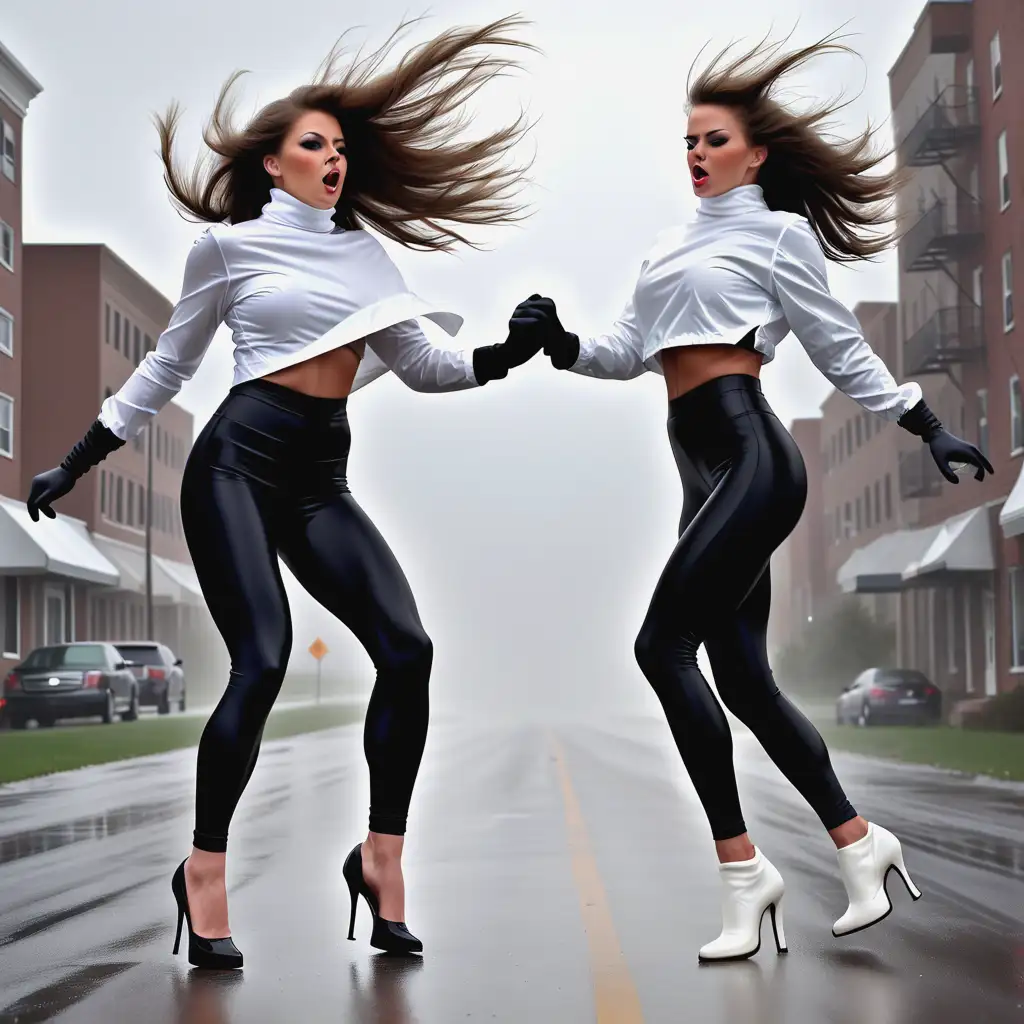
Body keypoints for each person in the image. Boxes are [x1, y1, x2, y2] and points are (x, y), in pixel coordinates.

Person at [26, 15, 543, 968]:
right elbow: (166, 369)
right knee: (261, 661)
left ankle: (381, 863)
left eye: (342, 150)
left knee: (409, 648)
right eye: (315, 146)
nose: (334, 161)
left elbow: (423, 365)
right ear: (273, 163)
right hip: (234, 466)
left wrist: (506, 354)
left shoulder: (365, 257)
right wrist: (80, 457)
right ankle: (205, 873)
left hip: (320, 478)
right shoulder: (225, 250)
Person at [512, 31, 993, 962]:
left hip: (752, 455)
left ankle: (743, 873)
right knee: (740, 680)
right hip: (694, 462)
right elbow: (624, 354)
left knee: (659, 648)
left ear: (757, 152)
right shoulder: (665, 252)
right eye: (687, 143)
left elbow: (836, 344)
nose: (695, 155)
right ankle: (859, 843)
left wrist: (925, 424)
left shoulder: (778, 235)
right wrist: (558, 339)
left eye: (713, 140)